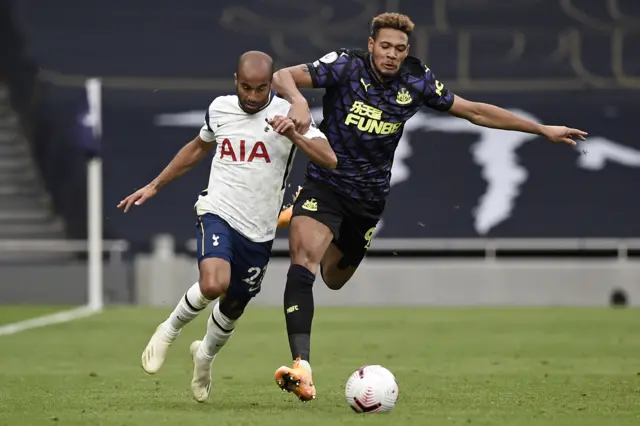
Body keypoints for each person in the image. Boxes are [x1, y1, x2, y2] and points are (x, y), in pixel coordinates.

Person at [270, 12, 588, 402]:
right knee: (303, 263)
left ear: (407, 51)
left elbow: (474, 111)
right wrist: (299, 100)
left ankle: (299, 217)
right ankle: (301, 365)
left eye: (399, 49)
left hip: (368, 200)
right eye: (384, 46)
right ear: (371, 44)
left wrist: (541, 129)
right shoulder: (345, 65)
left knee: (334, 279)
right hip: (326, 182)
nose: (391, 55)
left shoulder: (416, 80)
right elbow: (281, 75)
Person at [117, 51, 335, 403]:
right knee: (214, 283)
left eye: (260, 88)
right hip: (217, 210)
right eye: (246, 87)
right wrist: (155, 184)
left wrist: (294, 133)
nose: (251, 96)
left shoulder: (288, 113)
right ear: (235, 81)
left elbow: (330, 159)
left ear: (271, 86)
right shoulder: (219, 108)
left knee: (234, 306)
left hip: (260, 229)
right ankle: (168, 330)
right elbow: (197, 148)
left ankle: (203, 357)